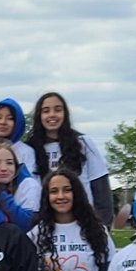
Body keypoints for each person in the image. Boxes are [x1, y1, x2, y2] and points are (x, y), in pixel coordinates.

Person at [26, 92, 114, 225]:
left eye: (58, 109)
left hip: (84, 221)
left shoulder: (83, 143)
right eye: (46, 111)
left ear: (65, 114)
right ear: (39, 116)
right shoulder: (30, 149)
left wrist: (102, 224)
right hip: (46, 222)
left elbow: (100, 186)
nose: (52, 115)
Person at [0, 141, 40, 231]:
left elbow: (26, 223)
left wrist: (0, 192)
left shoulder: (29, 185)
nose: (4, 168)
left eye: (9, 163)